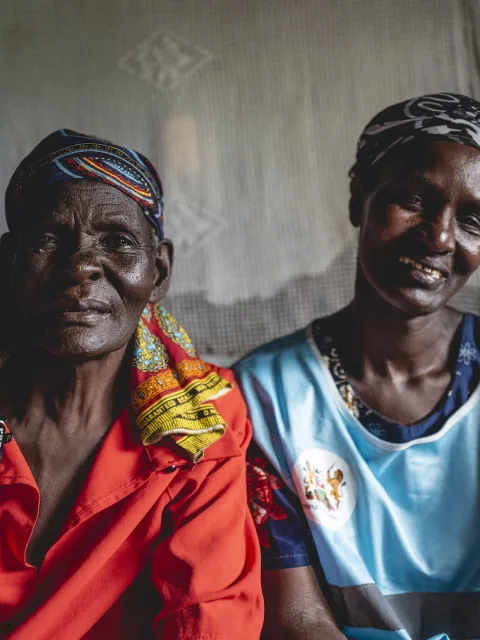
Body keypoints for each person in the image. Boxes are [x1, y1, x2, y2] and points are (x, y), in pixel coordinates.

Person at [234, 93, 480, 640]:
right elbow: (295, 617)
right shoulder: (263, 394)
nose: (439, 237)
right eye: (413, 200)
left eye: (473, 220)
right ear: (357, 199)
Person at [0, 129, 263, 639]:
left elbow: (209, 618)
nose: (79, 268)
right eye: (47, 240)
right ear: (9, 261)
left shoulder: (202, 419)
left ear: (159, 271)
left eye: (117, 242)